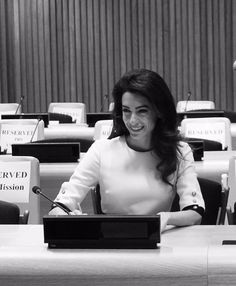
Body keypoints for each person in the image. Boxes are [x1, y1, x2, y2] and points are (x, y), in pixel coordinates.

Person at [49, 69, 205, 232]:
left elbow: (195, 213)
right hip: (110, 244)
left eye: (142, 111)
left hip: (159, 244)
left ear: (159, 111)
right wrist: (63, 215)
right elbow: (59, 205)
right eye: (126, 111)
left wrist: (165, 218)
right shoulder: (102, 150)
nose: (132, 120)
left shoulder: (179, 151)